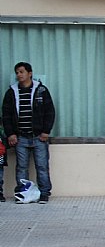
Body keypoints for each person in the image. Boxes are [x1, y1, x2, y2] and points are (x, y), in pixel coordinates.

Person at [2, 62, 55, 203]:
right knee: (21, 167)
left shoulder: (41, 90)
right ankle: (23, 193)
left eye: (21, 72)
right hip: (20, 137)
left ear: (30, 73)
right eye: (17, 72)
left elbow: (50, 112)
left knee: (42, 166)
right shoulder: (11, 92)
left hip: (39, 137)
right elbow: (6, 115)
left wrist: (46, 131)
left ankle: (44, 193)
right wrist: (11, 134)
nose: (19, 75)